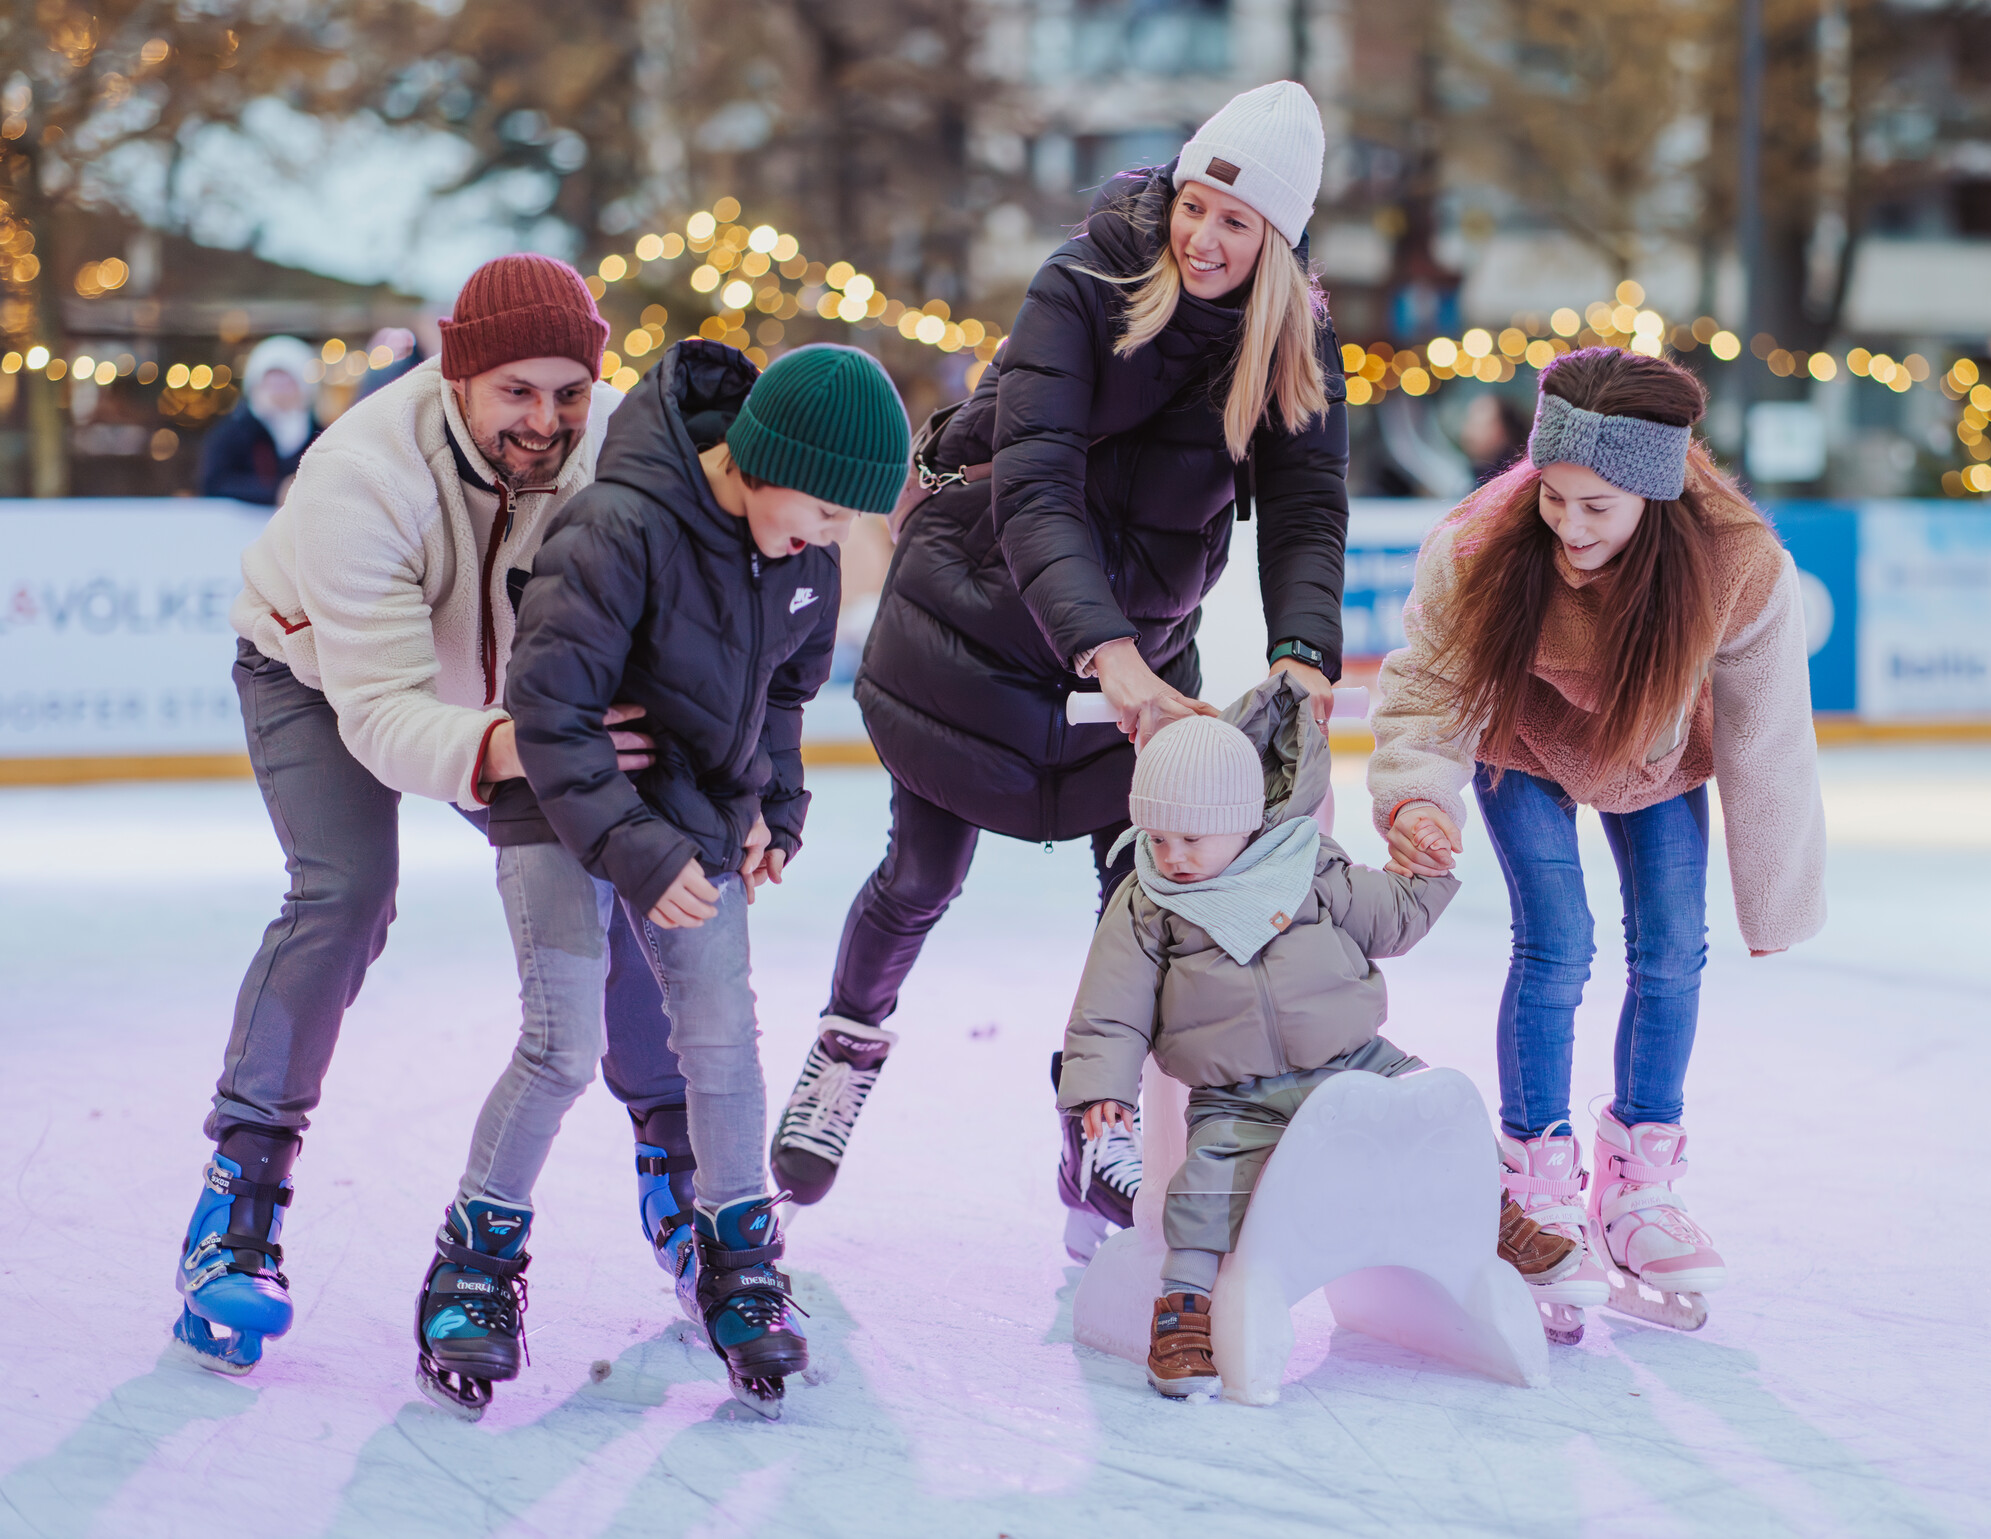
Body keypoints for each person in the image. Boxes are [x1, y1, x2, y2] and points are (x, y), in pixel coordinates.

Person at [770, 80, 1354, 1236]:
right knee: (922, 874)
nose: (1203, 236)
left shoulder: (1294, 339)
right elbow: (1033, 487)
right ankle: (843, 1049)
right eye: (1195, 204)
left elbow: (1307, 507)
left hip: (1138, 651)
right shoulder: (1081, 282)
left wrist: (1301, 651)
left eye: (1236, 223)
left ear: (1277, 240)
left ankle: (1100, 1111)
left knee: (1139, 897)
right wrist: (1110, 656)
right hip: (973, 629)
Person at [174, 256, 680, 1379]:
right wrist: (520, 743)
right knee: (345, 892)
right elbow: (387, 714)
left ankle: (680, 1169)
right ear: (459, 377)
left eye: (567, 392)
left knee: (627, 880)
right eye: (515, 391)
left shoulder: (614, 452)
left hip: (526, 698)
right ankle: (239, 1199)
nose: (544, 421)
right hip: (320, 673)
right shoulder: (362, 472)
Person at [410, 339, 910, 1420]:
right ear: (767, 460)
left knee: (722, 1038)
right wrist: (639, 851)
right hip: (558, 807)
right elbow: (546, 717)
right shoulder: (615, 525)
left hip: (695, 818)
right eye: (826, 512)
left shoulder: (804, 558)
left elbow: (782, 697)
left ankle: (740, 1255)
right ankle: (477, 1255)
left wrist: (778, 808)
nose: (833, 539)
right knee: (564, 1042)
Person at [1368, 345, 1827, 1343]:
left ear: (1654, 497)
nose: (1567, 524)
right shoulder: (1481, 544)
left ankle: (1641, 1184)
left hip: (1654, 754)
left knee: (1671, 944)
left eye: (1597, 507)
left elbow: (1765, 733)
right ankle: (1536, 1175)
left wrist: (1775, 893)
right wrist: (1414, 795)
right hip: (1522, 740)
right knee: (1558, 940)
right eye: (1555, 495)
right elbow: (1430, 682)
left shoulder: (1738, 564)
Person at [1054, 687, 1576, 1399]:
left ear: (1240, 822)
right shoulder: (1148, 905)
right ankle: (1183, 1310)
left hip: (1354, 1060)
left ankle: (1498, 1220)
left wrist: (1424, 871)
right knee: (1205, 1187)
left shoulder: (1306, 866)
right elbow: (1110, 1005)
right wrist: (1101, 1087)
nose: (1171, 857)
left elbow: (1386, 918)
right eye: (1158, 838)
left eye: (1191, 839)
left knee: (1441, 1111)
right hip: (1238, 1096)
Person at [198, 336, 323, 505]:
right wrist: (276, 493)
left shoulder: (318, 434)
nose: (278, 390)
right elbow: (215, 483)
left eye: (286, 380)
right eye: (271, 380)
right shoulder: (235, 431)